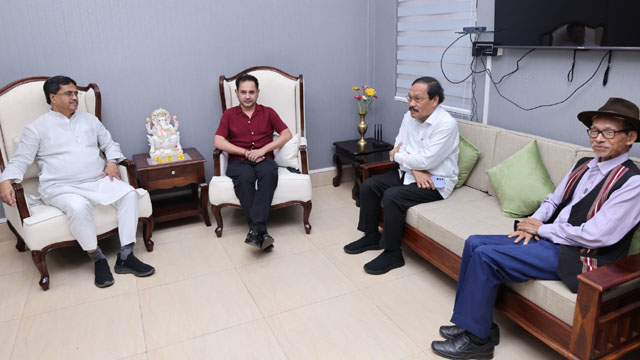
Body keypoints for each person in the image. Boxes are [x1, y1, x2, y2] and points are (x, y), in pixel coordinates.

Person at [431, 97, 640, 359]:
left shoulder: (633, 183)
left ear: (630, 137)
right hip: (552, 239)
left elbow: (598, 235)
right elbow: (553, 199)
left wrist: (542, 230)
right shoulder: (583, 165)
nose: (598, 138)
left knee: (487, 256)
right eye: (595, 131)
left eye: (609, 132)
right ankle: (475, 325)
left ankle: (478, 342)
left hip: (582, 257)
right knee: (474, 242)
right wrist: (533, 223)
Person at [0, 75, 155, 288]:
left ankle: (126, 256)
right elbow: (20, 160)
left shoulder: (90, 120)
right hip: (60, 187)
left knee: (128, 194)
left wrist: (111, 162)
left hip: (95, 180)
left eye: (76, 93)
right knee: (78, 206)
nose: (75, 97)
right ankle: (98, 258)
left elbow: (110, 144)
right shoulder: (36, 128)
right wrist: (6, 180)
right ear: (53, 97)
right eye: (68, 93)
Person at [343, 76, 459, 275]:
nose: (411, 104)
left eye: (418, 99)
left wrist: (403, 157)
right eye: (409, 98)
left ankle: (393, 253)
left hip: (437, 181)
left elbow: (425, 161)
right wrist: (413, 167)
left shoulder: (446, 125)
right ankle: (371, 236)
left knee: (393, 196)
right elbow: (396, 149)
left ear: (435, 100)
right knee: (369, 185)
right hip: (410, 174)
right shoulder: (410, 116)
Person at [214, 73, 292, 251]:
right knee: (244, 179)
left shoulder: (269, 112)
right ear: (236, 93)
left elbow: (287, 134)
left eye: (251, 92)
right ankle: (261, 232)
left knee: (269, 174)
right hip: (239, 162)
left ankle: (255, 232)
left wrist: (263, 150)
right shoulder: (229, 115)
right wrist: (245, 152)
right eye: (243, 92)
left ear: (258, 93)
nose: (247, 96)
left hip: (265, 159)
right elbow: (218, 142)